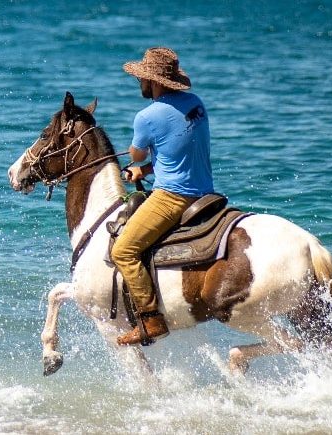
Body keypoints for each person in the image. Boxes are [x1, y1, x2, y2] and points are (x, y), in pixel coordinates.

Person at [112, 47, 214, 346]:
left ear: (152, 81)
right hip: (206, 191)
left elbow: (135, 153)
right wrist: (144, 172)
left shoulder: (147, 116)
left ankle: (150, 319)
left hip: (173, 197)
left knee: (123, 251)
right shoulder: (196, 103)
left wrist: (136, 162)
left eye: (141, 78)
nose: (140, 84)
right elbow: (175, 152)